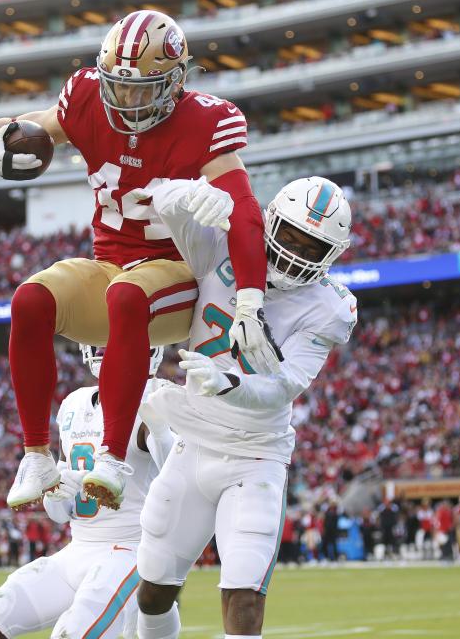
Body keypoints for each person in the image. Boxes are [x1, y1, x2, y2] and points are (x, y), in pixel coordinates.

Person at [0, 8, 278, 511]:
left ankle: (112, 459)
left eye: (143, 89)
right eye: (120, 85)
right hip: (111, 263)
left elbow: (244, 210)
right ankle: (36, 455)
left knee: (127, 295)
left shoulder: (207, 120)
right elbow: (38, 128)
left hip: (177, 271)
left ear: (176, 81)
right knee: (29, 299)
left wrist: (249, 296)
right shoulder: (88, 94)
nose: (128, 99)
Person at [131, 175, 357, 639]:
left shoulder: (328, 308)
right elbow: (161, 200)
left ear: (332, 254)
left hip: (256, 454)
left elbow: (286, 385)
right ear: (269, 219)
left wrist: (229, 384)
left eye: (311, 246)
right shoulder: (223, 242)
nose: (294, 252)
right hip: (194, 443)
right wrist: (192, 192)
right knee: (153, 590)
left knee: (245, 592)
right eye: (290, 235)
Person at [0, 347, 173, 639]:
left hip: (130, 551)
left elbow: (179, 474)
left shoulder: (157, 397)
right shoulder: (74, 403)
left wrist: (162, 430)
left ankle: (157, 615)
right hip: (76, 551)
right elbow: (60, 514)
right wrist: (58, 492)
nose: (107, 344)